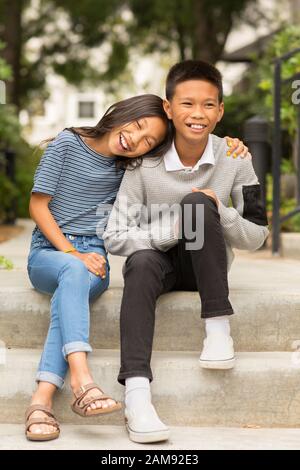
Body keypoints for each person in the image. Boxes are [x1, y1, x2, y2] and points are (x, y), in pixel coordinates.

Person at [103, 60, 269, 444]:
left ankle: (217, 330)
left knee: (198, 203)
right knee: (141, 261)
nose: (198, 114)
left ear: (221, 110)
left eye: (208, 105)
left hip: (205, 268)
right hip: (158, 264)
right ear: (168, 107)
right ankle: (137, 395)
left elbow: (257, 234)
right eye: (187, 104)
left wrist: (218, 211)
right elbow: (114, 236)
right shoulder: (143, 164)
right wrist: (174, 229)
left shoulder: (237, 158)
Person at [25, 94, 173, 441]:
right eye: (136, 126)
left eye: (147, 141)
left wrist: (227, 146)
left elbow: (179, 163)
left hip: (94, 261)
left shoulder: (129, 171)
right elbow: (37, 206)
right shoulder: (66, 143)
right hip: (48, 252)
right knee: (72, 273)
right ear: (123, 112)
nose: (135, 139)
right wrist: (71, 253)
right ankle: (82, 380)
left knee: (73, 285)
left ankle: (41, 401)